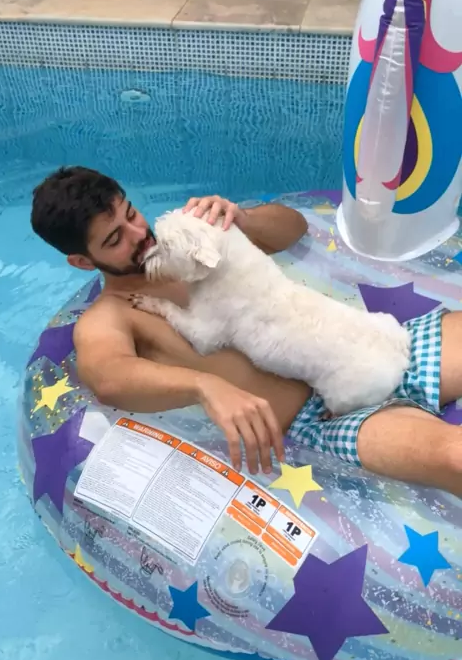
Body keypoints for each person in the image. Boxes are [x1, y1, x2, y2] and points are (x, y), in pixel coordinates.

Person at [31, 166, 462, 498]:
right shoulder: (111, 315)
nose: (141, 235)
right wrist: (205, 385)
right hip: (324, 418)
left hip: (365, 344)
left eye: (131, 214)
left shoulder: (189, 239)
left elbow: (293, 228)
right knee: (454, 456)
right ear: (82, 262)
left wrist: (240, 218)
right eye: (115, 240)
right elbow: (108, 376)